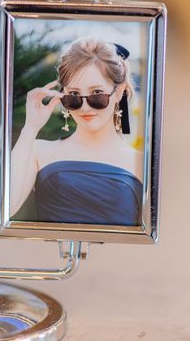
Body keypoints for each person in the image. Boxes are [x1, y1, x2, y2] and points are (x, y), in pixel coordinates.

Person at [11, 38, 143, 226]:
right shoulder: (38, 151)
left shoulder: (141, 163)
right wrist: (30, 126)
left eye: (97, 94)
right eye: (73, 95)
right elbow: (6, 208)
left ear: (119, 92)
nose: (85, 107)